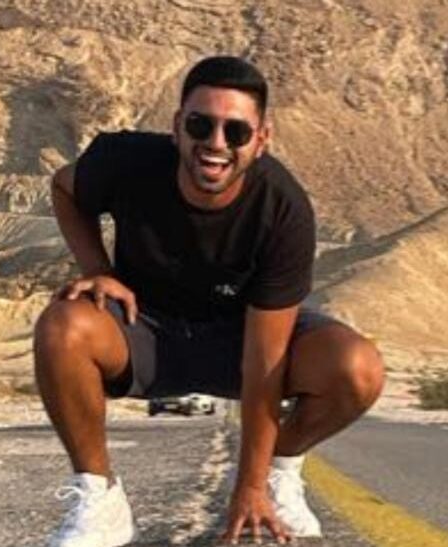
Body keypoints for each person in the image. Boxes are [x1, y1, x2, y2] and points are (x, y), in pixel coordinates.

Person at [34, 55, 384, 547]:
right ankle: (100, 498)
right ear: (178, 126)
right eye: (201, 125)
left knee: (357, 367)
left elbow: (265, 362)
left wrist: (251, 487)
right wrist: (98, 271)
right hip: (142, 330)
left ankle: (280, 469)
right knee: (62, 326)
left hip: (238, 341)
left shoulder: (283, 210)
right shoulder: (126, 161)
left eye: (236, 131)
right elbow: (64, 188)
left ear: (261, 140)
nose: (216, 143)